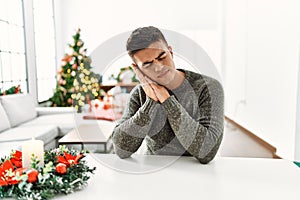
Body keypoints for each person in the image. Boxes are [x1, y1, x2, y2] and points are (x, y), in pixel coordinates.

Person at [112, 26, 224, 164]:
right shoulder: (140, 94)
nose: (159, 67)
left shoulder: (208, 87)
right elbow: (121, 150)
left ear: (170, 52)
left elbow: (207, 152)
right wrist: (151, 101)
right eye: (147, 64)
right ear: (137, 69)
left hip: (198, 172)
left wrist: (166, 99)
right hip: (153, 170)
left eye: (162, 57)